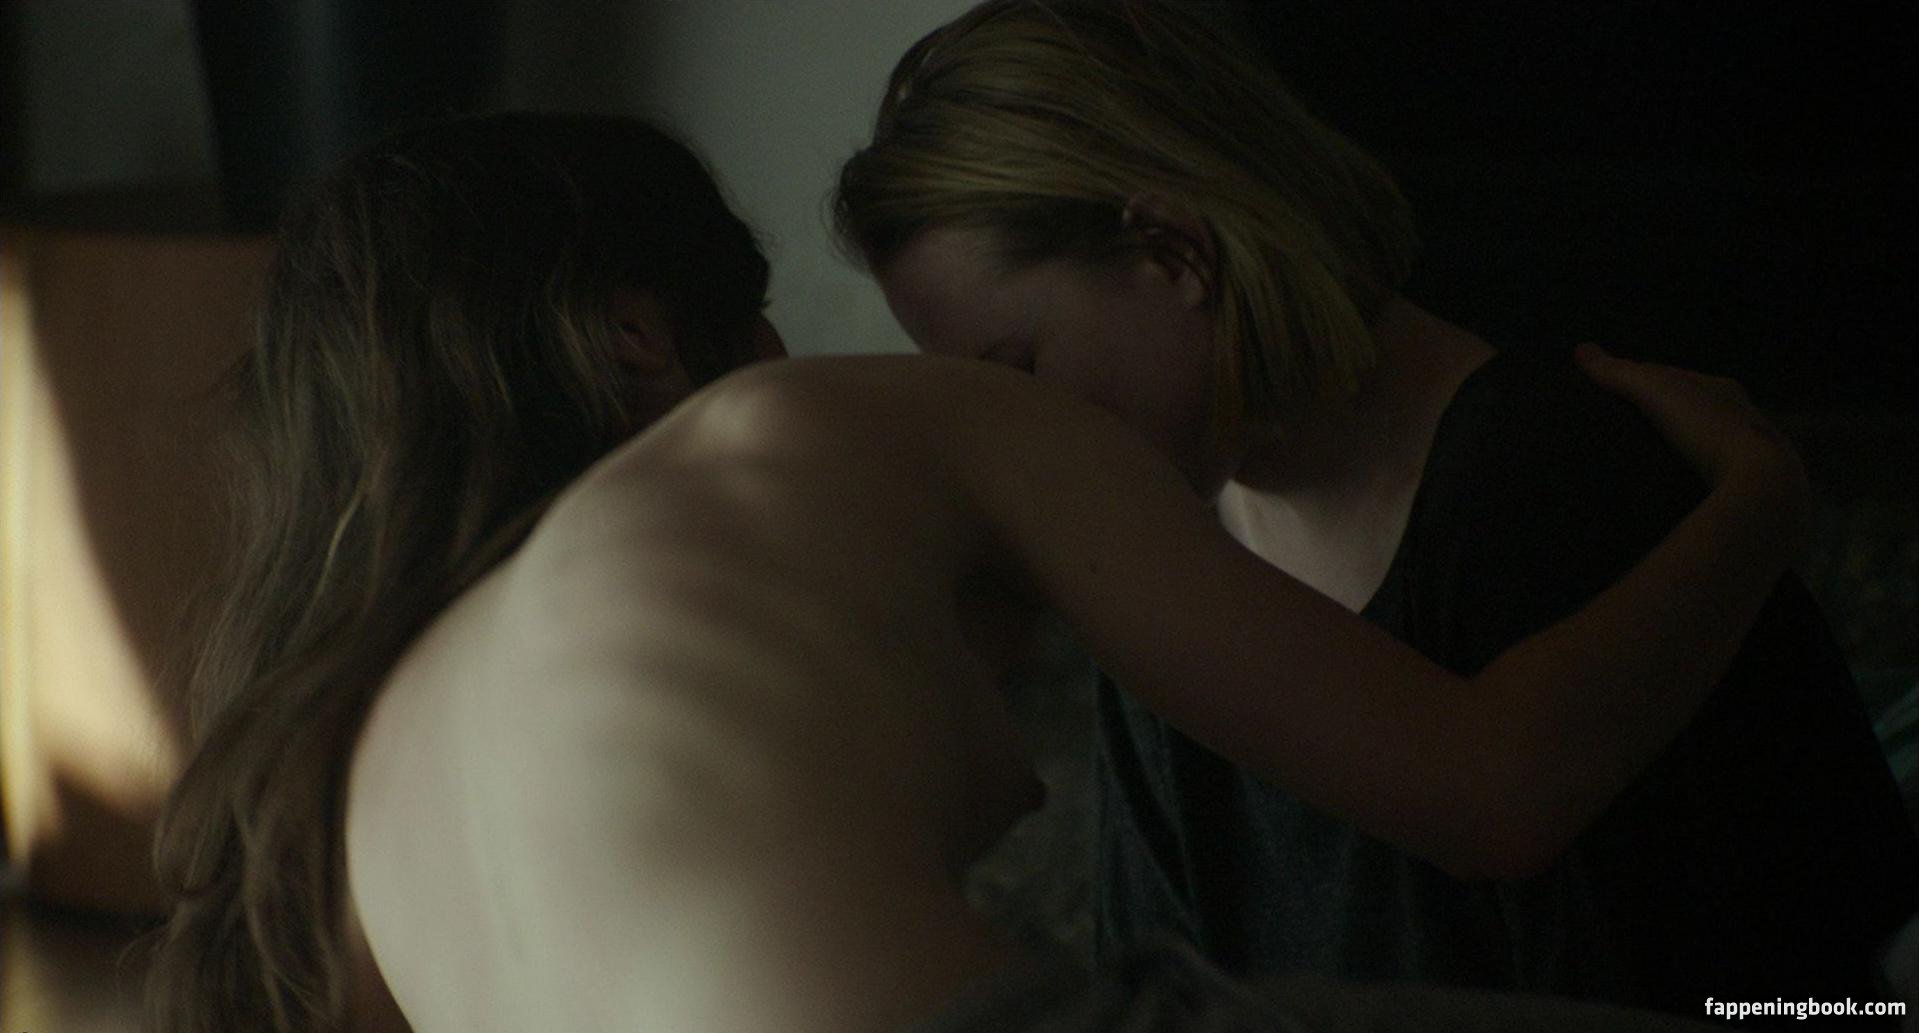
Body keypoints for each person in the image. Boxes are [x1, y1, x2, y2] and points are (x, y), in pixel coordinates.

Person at [152, 111, 1809, 1033]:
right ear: (642, 336)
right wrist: (1750, 497)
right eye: (759, 315)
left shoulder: (363, 761)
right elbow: (1493, 785)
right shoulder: (807, 426)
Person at [832, 0, 1918, 1022]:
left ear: (1173, 252)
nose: (1018, 437)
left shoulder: (1551, 481)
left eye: (1020, 370)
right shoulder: (1156, 577)